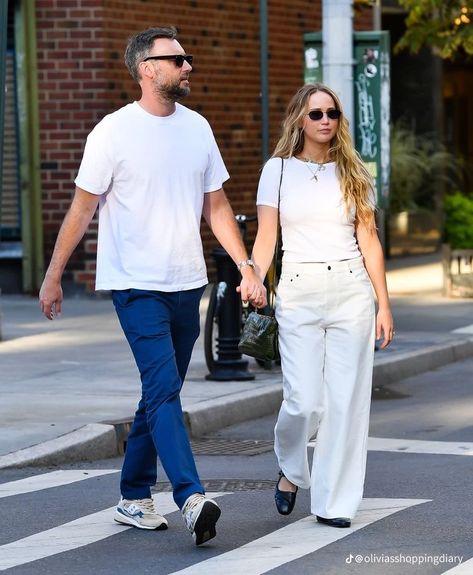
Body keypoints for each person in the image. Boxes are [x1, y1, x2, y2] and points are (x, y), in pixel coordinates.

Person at [39, 26, 266, 546]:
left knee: (159, 391)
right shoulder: (111, 133)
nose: (189, 66)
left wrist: (247, 265)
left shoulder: (198, 128)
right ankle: (190, 496)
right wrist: (53, 276)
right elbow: (81, 208)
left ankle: (133, 495)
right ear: (147, 68)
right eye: (178, 59)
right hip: (135, 284)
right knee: (164, 389)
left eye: (188, 58)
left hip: (187, 282)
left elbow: (217, 206)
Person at [251, 83, 393, 528]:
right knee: (305, 401)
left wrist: (384, 305)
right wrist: (252, 274)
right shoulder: (276, 171)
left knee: (346, 403)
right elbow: (266, 236)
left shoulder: (355, 171)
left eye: (332, 112)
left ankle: (334, 504)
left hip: (352, 290)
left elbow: (369, 240)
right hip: (298, 289)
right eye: (316, 114)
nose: (325, 120)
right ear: (299, 119)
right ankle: (292, 468)